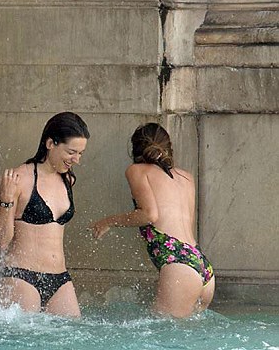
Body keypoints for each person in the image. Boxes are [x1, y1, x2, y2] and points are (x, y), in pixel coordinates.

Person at [89, 123, 215, 318]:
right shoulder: (186, 177)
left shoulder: (137, 171)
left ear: (135, 148)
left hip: (179, 265)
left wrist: (108, 221)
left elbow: (149, 215)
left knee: (162, 332)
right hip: (201, 264)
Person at [0, 112, 89, 317]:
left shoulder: (68, 180)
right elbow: (1, 241)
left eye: (80, 153)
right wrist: (5, 201)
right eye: (71, 152)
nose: (77, 160)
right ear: (50, 144)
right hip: (22, 276)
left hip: (60, 278)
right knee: (25, 336)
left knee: (73, 333)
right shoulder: (19, 178)